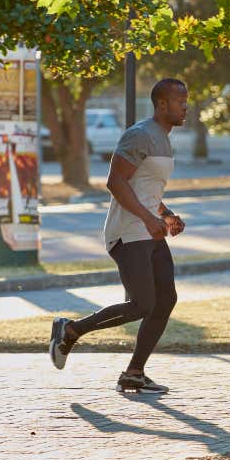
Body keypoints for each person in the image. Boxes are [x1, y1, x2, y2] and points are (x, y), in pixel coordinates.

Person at [47, 78, 189, 393]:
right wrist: (147, 218)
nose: (185, 107)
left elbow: (145, 188)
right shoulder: (140, 135)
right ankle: (70, 331)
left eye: (185, 101)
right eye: (180, 101)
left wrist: (165, 214)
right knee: (141, 305)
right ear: (162, 104)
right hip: (128, 232)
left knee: (165, 300)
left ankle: (134, 373)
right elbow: (115, 182)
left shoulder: (163, 139)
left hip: (149, 231)